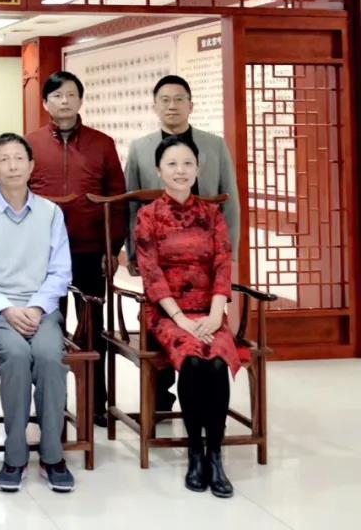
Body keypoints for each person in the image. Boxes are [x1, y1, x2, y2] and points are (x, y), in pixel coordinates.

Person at [0, 133, 75, 493]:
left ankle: (53, 455)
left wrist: (37, 307)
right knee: (17, 356)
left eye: (19, 158)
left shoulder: (51, 213)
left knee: (50, 358)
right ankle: (15, 455)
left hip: (41, 309)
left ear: (31, 166)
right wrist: (7, 309)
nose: (12, 166)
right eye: (4, 160)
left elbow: (60, 272)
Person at [133, 135, 246, 498]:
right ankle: (195, 451)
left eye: (187, 164)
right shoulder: (148, 216)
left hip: (209, 310)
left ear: (198, 169)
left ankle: (215, 455)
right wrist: (180, 319)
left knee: (216, 363)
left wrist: (215, 314)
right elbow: (151, 273)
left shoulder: (212, 215)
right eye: (172, 164)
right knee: (195, 363)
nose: (180, 171)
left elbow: (223, 264)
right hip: (167, 313)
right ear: (158, 170)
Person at [126, 74, 240, 413]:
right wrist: (132, 254)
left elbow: (230, 201)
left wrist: (228, 254)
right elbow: (131, 206)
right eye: (165, 100)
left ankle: (206, 413)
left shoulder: (214, 145)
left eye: (179, 99)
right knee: (163, 322)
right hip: (160, 260)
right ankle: (162, 399)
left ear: (191, 105)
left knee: (208, 345)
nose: (172, 106)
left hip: (206, 261)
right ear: (155, 106)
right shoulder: (141, 148)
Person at [26, 71, 127, 427]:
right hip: (43, 255)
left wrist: (112, 247)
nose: (64, 101)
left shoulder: (102, 143)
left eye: (71, 94)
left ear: (81, 100)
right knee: (45, 329)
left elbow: (117, 200)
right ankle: (49, 404)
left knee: (92, 329)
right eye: (57, 95)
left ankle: (95, 403)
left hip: (90, 250)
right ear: (45, 103)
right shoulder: (31, 144)